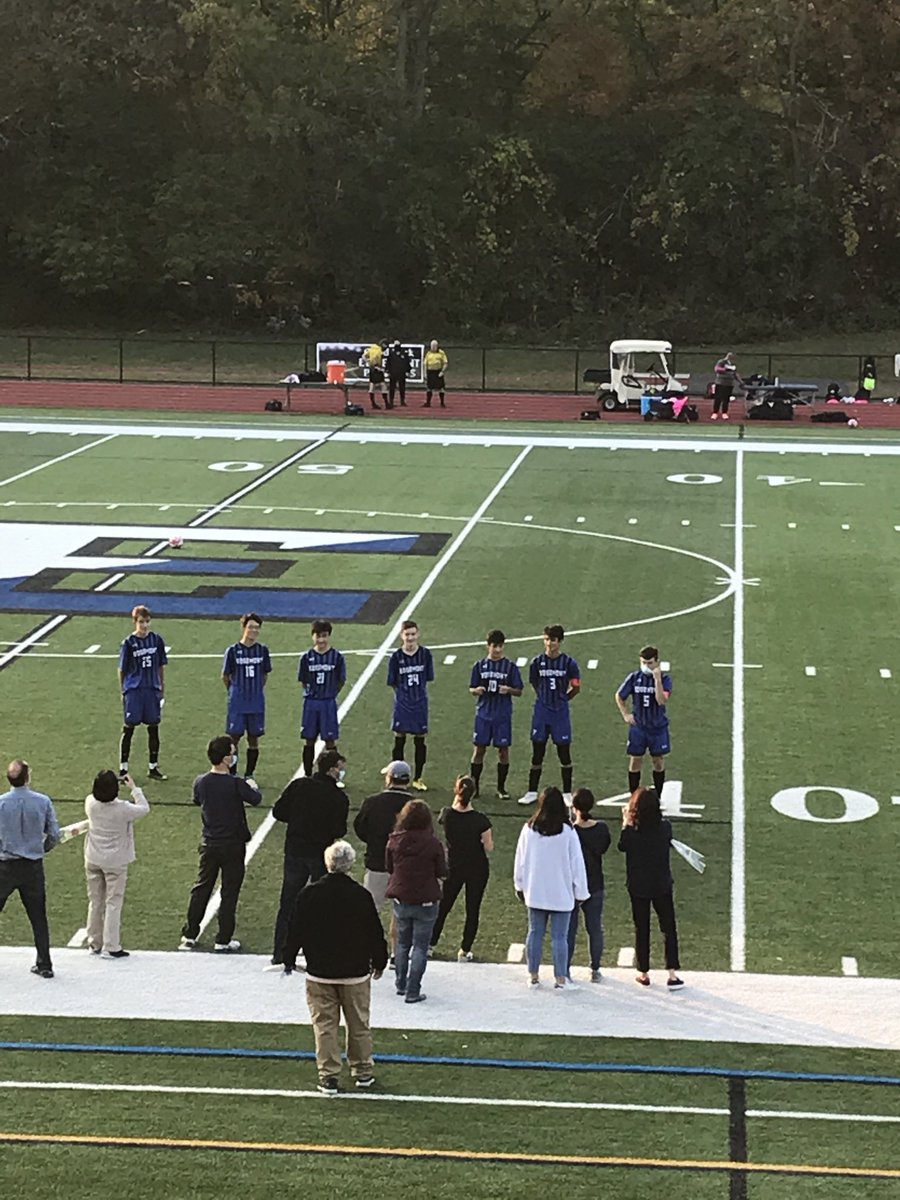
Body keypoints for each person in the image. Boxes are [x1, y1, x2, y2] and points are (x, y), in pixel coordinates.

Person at [282, 840, 388, 1094]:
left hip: (320, 972)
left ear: (327, 862)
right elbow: (374, 932)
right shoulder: (360, 895)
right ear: (350, 864)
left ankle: (329, 1076)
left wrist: (288, 957)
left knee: (325, 1026)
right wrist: (380, 960)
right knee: (359, 1024)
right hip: (355, 972)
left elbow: (295, 930)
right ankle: (362, 1071)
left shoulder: (309, 894)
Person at [178, 735, 261, 953]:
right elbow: (256, 799)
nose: (234, 757)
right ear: (225, 758)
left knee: (202, 888)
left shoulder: (201, 781)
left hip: (209, 842)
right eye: (232, 753)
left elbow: (198, 800)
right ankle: (223, 938)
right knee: (229, 892)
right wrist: (251, 785)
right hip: (232, 845)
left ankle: (189, 934)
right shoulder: (235, 784)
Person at [270, 748, 349, 967]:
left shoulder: (299, 786)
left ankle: (281, 953)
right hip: (320, 854)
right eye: (341, 768)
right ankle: (317, 955)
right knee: (319, 903)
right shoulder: (338, 797)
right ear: (333, 770)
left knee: (288, 902)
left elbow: (279, 812)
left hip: (295, 850)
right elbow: (339, 829)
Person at [513, 786, 588, 990]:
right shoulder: (568, 832)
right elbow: (577, 865)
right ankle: (560, 979)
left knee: (535, 932)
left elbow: (520, 860)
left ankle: (533, 976)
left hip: (535, 891)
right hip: (561, 893)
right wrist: (580, 892)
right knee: (559, 938)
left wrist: (519, 885)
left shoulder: (529, 829)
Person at [618, 787, 684, 988]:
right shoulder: (665, 827)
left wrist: (626, 821)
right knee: (668, 927)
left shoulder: (630, 833)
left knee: (642, 928)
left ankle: (643, 972)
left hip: (638, 886)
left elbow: (622, 845)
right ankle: (672, 974)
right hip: (661, 883)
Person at [0, 759, 59, 978]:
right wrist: (41, 849)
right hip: (32, 866)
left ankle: (44, 963)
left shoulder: (1, 804)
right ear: (27, 776)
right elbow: (54, 834)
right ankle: (45, 964)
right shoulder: (42, 802)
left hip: (5, 866)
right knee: (38, 917)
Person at [385, 799, 447, 1003]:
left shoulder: (394, 840)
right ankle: (413, 990)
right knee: (420, 946)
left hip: (402, 898)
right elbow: (442, 871)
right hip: (426, 900)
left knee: (402, 944)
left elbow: (389, 867)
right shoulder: (433, 843)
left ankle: (401, 984)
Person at [84, 770, 150, 959]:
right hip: (115, 861)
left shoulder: (90, 803)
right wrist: (134, 789)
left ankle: (94, 942)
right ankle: (111, 945)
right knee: (113, 902)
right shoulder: (123, 808)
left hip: (93, 857)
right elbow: (144, 808)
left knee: (95, 901)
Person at [429, 775, 492, 961]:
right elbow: (488, 846)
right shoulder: (481, 820)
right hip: (477, 868)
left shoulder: (446, 814)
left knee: (444, 907)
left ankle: (430, 945)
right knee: (472, 909)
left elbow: (450, 812)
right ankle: (464, 951)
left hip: (454, 866)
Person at [518, 625, 580, 806]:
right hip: (542, 712)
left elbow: (576, 687)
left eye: (552, 640)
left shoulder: (569, 663)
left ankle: (567, 792)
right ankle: (531, 791)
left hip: (560, 713)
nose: (549, 643)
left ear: (559, 642)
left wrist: (563, 699)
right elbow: (534, 683)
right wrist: (544, 699)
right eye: (546, 639)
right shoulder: (537, 662)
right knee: (537, 752)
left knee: (564, 753)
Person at [469, 630, 524, 800]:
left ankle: (501, 788)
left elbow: (519, 690)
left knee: (503, 751)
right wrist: (475, 691)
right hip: (484, 714)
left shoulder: (510, 666)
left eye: (500, 646)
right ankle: (475, 786)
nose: (497, 650)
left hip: (502, 715)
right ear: (488, 646)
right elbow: (472, 688)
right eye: (494, 646)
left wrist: (509, 690)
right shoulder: (479, 666)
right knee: (479, 750)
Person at [353, 760, 413, 915]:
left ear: (390, 778)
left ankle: (368, 939)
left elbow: (360, 827)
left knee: (371, 909)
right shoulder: (415, 805)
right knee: (404, 912)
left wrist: (374, 841)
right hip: (405, 865)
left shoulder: (373, 802)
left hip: (377, 861)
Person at [118, 604, 168, 782]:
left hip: (151, 689)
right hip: (135, 690)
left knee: (153, 727)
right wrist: (124, 689)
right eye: (141, 622)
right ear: (135, 622)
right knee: (129, 727)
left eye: (147, 622)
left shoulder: (156, 640)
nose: (144, 625)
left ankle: (153, 766)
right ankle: (123, 769)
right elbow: (122, 669)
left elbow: (161, 665)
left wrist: (161, 688)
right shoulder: (129, 643)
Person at [615, 646, 672, 798]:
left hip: (657, 728)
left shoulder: (665, 680)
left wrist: (657, 680)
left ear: (657, 662)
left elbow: (661, 700)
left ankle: (658, 797)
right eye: (643, 662)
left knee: (658, 761)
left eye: (649, 663)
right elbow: (619, 696)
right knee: (635, 761)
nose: (646, 666)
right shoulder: (634, 677)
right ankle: (633, 796)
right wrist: (626, 715)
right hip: (639, 727)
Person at [566, 788, 611, 983]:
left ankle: (565, 968)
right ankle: (595, 968)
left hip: (572, 885)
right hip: (594, 883)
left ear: (574, 807)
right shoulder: (601, 829)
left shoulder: (569, 831)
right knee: (594, 927)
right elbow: (603, 848)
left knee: (569, 929)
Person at [222, 612, 272, 782]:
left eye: (257, 628)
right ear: (244, 627)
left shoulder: (262, 650)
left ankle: (249, 775)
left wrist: (255, 690)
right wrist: (235, 690)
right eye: (251, 627)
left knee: (254, 738)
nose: (254, 631)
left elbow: (265, 674)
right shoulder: (233, 651)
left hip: (256, 701)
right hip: (237, 702)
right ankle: (233, 773)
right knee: (233, 738)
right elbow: (226, 676)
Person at [387, 619, 434, 791]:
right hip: (402, 704)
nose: (410, 638)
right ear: (402, 636)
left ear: (418, 634)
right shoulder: (396, 657)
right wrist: (402, 696)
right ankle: (396, 775)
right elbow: (392, 681)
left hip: (420, 703)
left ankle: (418, 777)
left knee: (420, 740)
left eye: (413, 634)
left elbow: (427, 677)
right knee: (399, 739)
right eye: (407, 634)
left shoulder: (425, 654)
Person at [298, 619, 347, 779]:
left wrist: (330, 693)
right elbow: (303, 680)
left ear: (329, 636)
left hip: (328, 702)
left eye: (324, 636)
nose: (321, 640)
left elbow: (341, 680)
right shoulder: (306, 657)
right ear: (313, 636)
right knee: (309, 740)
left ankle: (335, 775)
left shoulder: (336, 657)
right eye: (318, 636)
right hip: (311, 703)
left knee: (330, 740)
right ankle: (307, 775)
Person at [712, 352, 742, 421]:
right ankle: (715, 412)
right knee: (718, 398)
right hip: (720, 382)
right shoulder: (722, 362)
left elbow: (735, 374)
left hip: (729, 383)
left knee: (726, 399)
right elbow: (717, 369)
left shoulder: (733, 365)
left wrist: (741, 382)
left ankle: (724, 412)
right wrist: (726, 369)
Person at [362, 340, 389, 409]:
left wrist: (367, 361)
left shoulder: (372, 348)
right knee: (383, 385)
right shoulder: (378, 351)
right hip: (377, 369)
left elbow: (364, 356)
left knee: (372, 386)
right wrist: (377, 367)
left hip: (371, 370)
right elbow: (375, 360)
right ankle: (386, 404)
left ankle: (373, 403)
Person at [423, 339, 448, 408]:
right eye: (432, 346)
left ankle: (442, 403)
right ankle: (428, 402)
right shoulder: (428, 353)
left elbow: (445, 363)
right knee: (429, 388)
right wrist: (425, 373)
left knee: (441, 388)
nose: (433, 347)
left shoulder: (441, 353)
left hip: (438, 372)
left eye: (434, 346)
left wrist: (442, 371)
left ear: (437, 346)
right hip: (430, 372)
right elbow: (425, 364)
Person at [386, 340, 411, 408]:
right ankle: (391, 401)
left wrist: (408, 371)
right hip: (393, 373)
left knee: (402, 388)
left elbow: (407, 363)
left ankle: (402, 401)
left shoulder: (404, 354)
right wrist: (387, 371)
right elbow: (388, 363)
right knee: (392, 388)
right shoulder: (391, 354)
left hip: (402, 373)